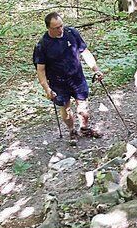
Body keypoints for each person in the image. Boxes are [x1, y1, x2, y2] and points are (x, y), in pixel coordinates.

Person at [33, 11, 103, 141]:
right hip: (58, 82)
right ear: (48, 28)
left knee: (84, 107)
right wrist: (47, 89)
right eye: (56, 28)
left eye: (61, 26)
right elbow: (41, 70)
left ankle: (84, 128)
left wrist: (96, 70)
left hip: (77, 78)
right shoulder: (42, 45)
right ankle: (72, 131)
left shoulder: (72, 33)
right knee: (66, 109)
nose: (60, 30)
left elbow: (85, 52)